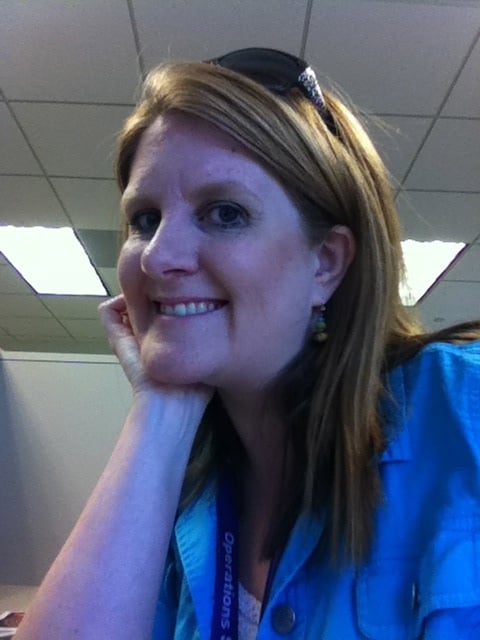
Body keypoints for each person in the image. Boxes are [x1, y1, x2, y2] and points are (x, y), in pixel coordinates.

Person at [16, 48, 480, 640]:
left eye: (225, 213)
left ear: (325, 264)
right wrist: (160, 411)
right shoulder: (177, 504)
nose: (157, 257)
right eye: (145, 219)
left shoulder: (464, 408)